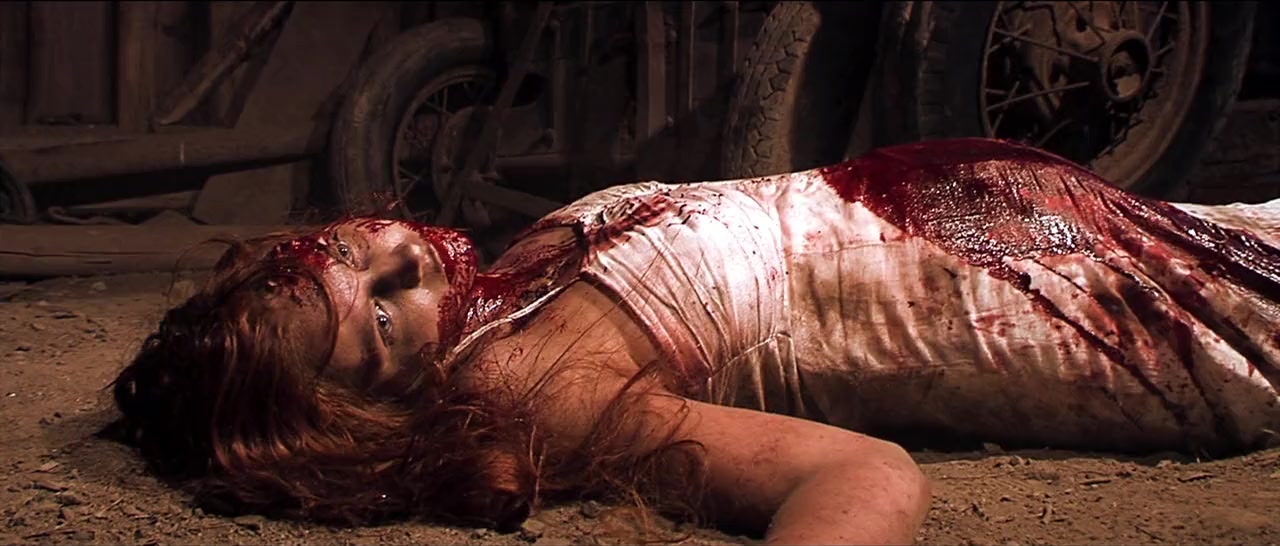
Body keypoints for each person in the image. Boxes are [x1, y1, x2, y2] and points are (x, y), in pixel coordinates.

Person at [110, 137, 1280, 545]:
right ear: (357, 417)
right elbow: (860, 477)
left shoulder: (508, 290)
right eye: (376, 323)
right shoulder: (525, 378)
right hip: (1173, 326)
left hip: (1142, 240)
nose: (402, 260)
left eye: (345, 251)